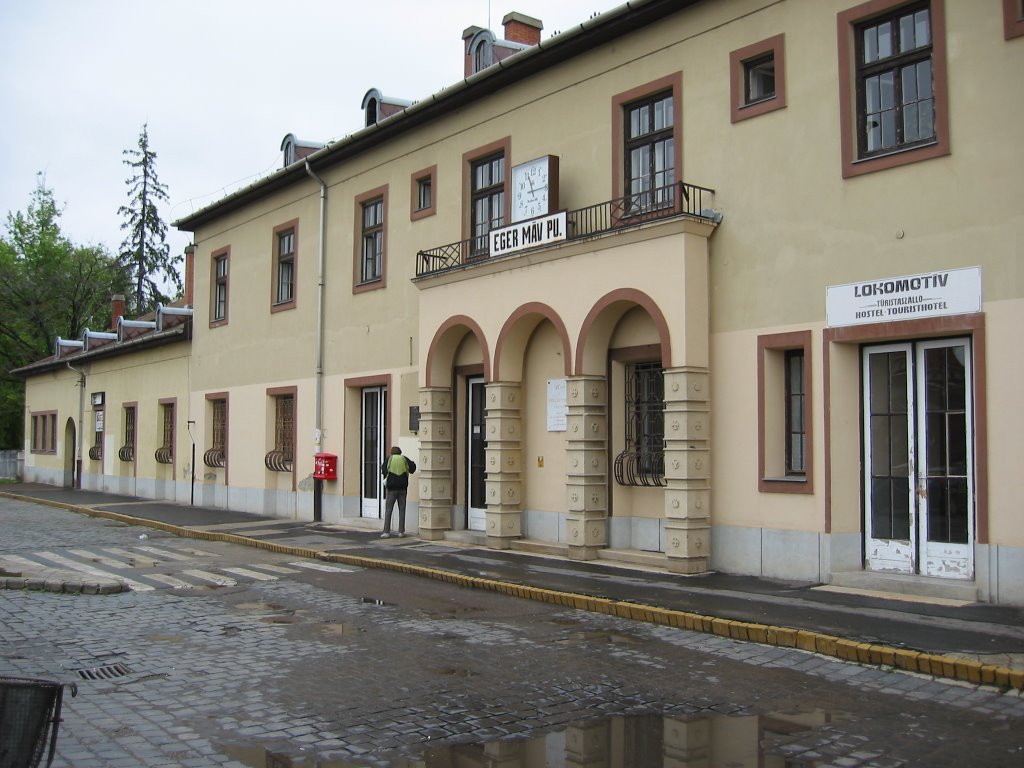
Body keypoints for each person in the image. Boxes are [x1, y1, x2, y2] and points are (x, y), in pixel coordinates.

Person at [380, 446, 416, 538]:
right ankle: (401, 532)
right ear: (400, 452)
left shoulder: (389, 459)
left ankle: (386, 532)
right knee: (402, 509)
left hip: (391, 489)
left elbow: (383, 470)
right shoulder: (404, 459)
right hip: (403, 488)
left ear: (392, 452)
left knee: (388, 510)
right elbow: (412, 469)